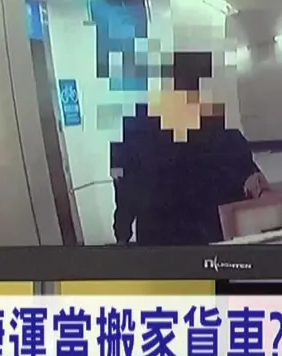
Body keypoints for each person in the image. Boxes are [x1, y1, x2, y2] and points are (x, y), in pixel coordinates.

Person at [111, 50, 270, 246]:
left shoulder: (137, 130)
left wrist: (122, 233)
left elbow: (124, 185)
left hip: (172, 241)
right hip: (199, 240)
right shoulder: (214, 130)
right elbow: (124, 184)